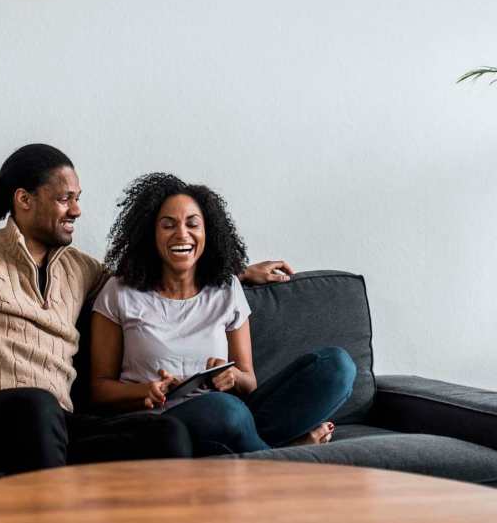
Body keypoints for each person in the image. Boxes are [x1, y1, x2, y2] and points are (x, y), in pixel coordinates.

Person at [0, 144, 285, 473]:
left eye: (78, 198)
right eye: (64, 199)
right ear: (24, 200)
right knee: (37, 407)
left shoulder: (80, 270)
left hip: (55, 426)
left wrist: (236, 271)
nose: (77, 210)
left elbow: (147, 277)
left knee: (166, 432)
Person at [89, 173, 356, 456]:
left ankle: (258, 451)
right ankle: (285, 460)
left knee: (336, 367)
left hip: (231, 415)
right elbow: (98, 389)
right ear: (150, 234)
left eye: (193, 224)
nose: (182, 234)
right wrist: (146, 391)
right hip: (163, 424)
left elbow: (248, 380)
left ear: (208, 233)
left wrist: (231, 377)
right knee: (224, 410)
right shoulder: (120, 291)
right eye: (168, 225)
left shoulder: (226, 287)